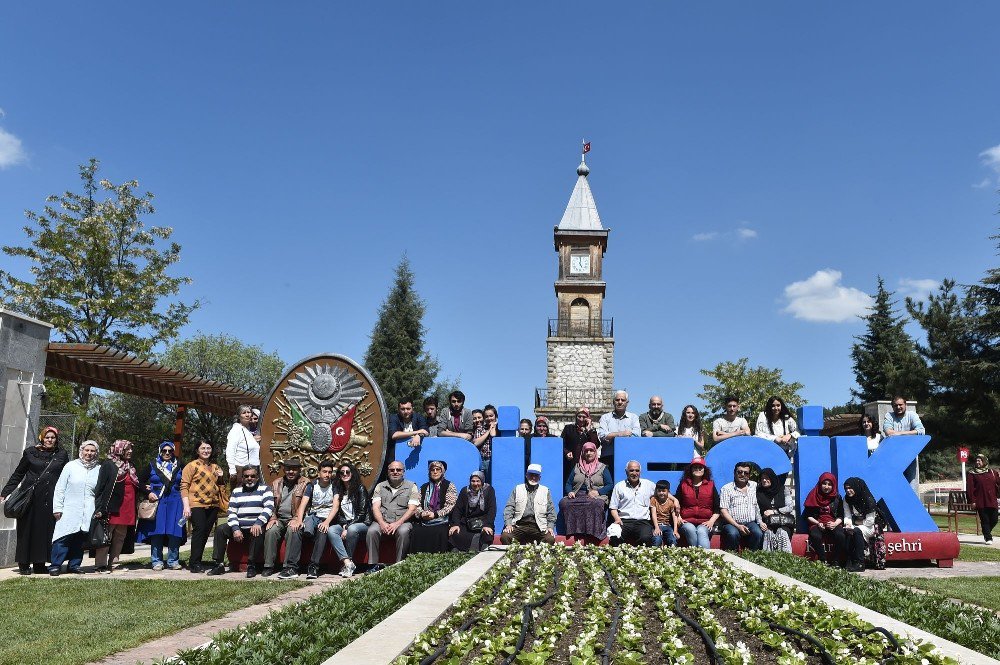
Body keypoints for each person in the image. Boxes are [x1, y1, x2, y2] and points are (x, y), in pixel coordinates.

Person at [1, 425, 69, 575]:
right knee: (26, 530)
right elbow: (18, 474)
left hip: (49, 498)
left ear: (56, 439)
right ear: (42, 437)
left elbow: (66, 477)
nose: (50, 440)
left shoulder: (62, 455)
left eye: (53, 437)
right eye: (47, 437)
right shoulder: (31, 453)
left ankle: (40, 563)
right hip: (30, 498)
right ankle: (24, 563)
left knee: (45, 531)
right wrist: (5, 492)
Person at [207, 467, 274, 577]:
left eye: (252, 476)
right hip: (240, 525)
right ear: (242, 478)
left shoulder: (265, 489)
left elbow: (268, 508)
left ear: (257, 477)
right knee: (220, 529)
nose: (249, 478)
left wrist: (258, 523)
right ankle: (218, 564)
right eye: (246, 476)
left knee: (257, 531)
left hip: (256, 524)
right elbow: (231, 512)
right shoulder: (236, 491)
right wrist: (235, 529)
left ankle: (251, 565)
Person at [49, 440, 102, 575]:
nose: (89, 453)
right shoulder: (71, 466)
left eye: (92, 451)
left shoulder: (98, 469)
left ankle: (74, 565)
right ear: (81, 451)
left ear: (96, 453)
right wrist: (57, 508)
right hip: (69, 508)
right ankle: (55, 565)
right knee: (63, 537)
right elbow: (60, 488)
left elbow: (100, 492)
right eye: (86, 450)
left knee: (80, 539)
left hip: (88, 509)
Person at [136, 442, 186, 571]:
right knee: (156, 531)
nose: (167, 453)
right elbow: (138, 481)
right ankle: (156, 561)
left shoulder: (180, 465)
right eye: (164, 450)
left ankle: (173, 561)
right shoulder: (152, 465)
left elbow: (188, 481)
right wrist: (148, 492)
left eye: (170, 451)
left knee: (175, 531)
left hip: (176, 501)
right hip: (157, 501)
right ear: (160, 451)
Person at [366, 461, 420, 572]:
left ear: (403, 472)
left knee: (403, 532)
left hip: (403, 522)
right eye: (392, 470)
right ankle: (372, 565)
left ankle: (398, 565)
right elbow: (375, 507)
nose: (395, 472)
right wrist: (381, 523)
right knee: (372, 531)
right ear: (388, 471)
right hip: (383, 520)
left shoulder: (412, 486)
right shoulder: (380, 486)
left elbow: (412, 509)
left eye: (398, 470)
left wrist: (397, 523)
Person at [180, 440, 226, 573]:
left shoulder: (216, 467)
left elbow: (221, 486)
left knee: (206, 533)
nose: (206, 451)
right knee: (199, 531)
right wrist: (186, 506)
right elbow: (184, 486)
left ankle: (198, 560)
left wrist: (222, 478)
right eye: (203, 448)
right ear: (197, 451)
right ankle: (194, 563)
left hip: (213, 504)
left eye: (208, 448)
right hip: (196, 504)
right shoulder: (191, 466)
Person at [289, 460, 339, 579]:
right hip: (312, 516)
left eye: (329, 472)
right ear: (319, 473)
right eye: (324, 472)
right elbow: (303, 504)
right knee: (297, 529)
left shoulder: (334, 486)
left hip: (327, 518)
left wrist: (327, 522)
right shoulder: (312, 486)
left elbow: (336, 506)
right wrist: (299, 520)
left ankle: (313, 567)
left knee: (322, 531)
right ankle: (292, 568)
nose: (327, 475)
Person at [95, 439, 140, 573]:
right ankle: (100, 565)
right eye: (127, 449)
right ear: (119, 450)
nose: (130, 451)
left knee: (120, 536)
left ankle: (114, 563)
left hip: (127, 507)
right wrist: (99, 507)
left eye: (131, 449)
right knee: (106, 535)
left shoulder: (130, 466)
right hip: (112, 507)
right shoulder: (108, 465)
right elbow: (100, 487)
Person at [560, 442, 612, 543]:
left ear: (595, 452)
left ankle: (594, 534)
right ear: (583, 453)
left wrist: (598, 492)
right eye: (586, 451)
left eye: (591, 451)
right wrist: (570, 492)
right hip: (577, 495)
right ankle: (574, 533)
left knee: (596, 504)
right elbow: (568, 483)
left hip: (595, 496)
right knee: (564, 503)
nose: (588, 453)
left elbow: (610, 484)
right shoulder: (577, 467)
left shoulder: (602, 467)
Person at [329, 461, 372, 576]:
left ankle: (348, 564)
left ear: (352, 474)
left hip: (362, 523)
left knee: (352, 529)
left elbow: (362, 513)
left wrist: (347, 527)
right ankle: (347, 562)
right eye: (342, 472)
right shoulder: (338, 491)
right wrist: (344, 525)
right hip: (346, 524)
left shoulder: (360, 488)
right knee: (332, 530)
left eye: (348, 472)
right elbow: (338, 513)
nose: (345, 474)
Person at [269, 458, 310, 579]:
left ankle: (289, 567)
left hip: (295, 518)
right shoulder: (276, 483)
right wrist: (272, 517)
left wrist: (297, 518)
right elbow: (270, 503)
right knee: (271, 531)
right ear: (284, 470)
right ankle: (268, 566)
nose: (291, 472)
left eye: (294, 469)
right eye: (288, 469)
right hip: (279, 518)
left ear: (299, 470)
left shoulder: (305, 483)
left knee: (293, 530)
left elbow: (307, 505)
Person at [501, 464, 556, 545]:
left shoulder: (545, 491)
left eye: (536, 476)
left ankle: (540, 557)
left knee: (550, 539)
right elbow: (509, 508)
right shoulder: (518, 489)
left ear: (539, 478)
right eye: (531, 475)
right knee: (505, 536)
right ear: (526, 475)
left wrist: (550, 526)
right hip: (520, 526)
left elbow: (551, 511)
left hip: (539, 527)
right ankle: (513, 556)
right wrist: (508, 524)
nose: (533, 478)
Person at [410, 460, 458, 554]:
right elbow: (417, 504)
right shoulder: (424, 487)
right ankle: (417, 560)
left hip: (442, 520)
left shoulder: (449, 485)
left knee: (440, 531)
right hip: (425, 519)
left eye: (438, 469)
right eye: (432, 470)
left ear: (442, 472)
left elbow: (450, 505)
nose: (435, 472)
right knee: (416, 531)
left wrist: (435, 514)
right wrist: (422, 513)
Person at [718, 462, 766, 551]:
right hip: (731, 523)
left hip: (750, 523)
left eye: (746, 473)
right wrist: (737, 525)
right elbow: (723, 511)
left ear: (749, 475)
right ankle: (733, 559)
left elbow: (769, 486)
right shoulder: (726, 489)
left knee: (758, 533)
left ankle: (752, 559)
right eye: (739, 472)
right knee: (733, 534)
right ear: (734, 473)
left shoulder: (754, 486)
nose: (742, 475)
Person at [608, 460, 655, 546]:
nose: (634, 473)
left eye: (637, 470)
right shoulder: (619, 486)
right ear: (626, 472)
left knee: (645, 538)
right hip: (624, 521)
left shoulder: (649, 485)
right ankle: (620, 559)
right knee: (615, 537)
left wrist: (675, 500)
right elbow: (613, 508)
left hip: (643, 522)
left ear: (640, 472)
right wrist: (617, 519)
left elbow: (663, 493)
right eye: (631, 470)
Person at [675, 457, 719, 549]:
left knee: (701, 531)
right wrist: (679, 518)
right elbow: (676, 503)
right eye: (695, 467)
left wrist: (711, 521)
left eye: (700, 467)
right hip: (687, 521)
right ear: (690, 470)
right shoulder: (683, 484)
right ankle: (700, 557)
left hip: (705, 521)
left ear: (704, 470)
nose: (697, 469)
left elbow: (717, 508)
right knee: (690, 529)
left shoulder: (711, 485)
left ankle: (704, 557)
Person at [803, 472, 846, 566]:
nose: (826, 487)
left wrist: (835, 523)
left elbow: (841, 515)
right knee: (815, 536)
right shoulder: (813, 495)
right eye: (824, 483)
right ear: (820, 483)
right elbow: (808, 515)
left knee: (841, 536)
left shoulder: (837, 497)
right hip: (817, 523)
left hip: (833, 523)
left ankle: (836, 560)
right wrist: (818, 523)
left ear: (833, 485)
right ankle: (823, 560)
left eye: (829, 484)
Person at [449, 471, 497, 552]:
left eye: (478, 481)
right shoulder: (465, 491)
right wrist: (455, 524)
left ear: (482, 481)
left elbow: (492, 509)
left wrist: (488, 525)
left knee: (487, 534)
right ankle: (457, 550)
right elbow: (457, 509)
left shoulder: (489, 490)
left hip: (483, 522)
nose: (475, 484)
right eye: (473, 481)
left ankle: (481, 550)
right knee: (455, 533)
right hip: (467, 522)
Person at [843, 477, 879, 572]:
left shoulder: (868, 500)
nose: (848, 491)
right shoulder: (847, 499)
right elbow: (847, 515)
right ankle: (849, 561)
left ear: (856, 487)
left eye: (850, 488)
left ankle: (860, 563)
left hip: (872, 527)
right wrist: (848, 525)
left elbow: (870, 521)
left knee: (856, 531)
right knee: (847, 532)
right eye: (846, 488)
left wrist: (855, 523)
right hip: (857, 525)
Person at [757, 467, 794, 552]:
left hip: (783, 523)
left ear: (772, 478)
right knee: (767, 533)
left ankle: (784, 559)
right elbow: (756, 509)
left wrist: (774, 511)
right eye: (762, 478)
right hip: (766, 524)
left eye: (767, 478)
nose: (764, 480)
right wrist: (760, 522)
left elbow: (789, 507)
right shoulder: (758, 492)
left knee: (782, 532)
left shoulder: (784, 489)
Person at [597, 391, 640, 463]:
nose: (620, 402)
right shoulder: (605, 418)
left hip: (628, 457)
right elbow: (602, 436)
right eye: (617, 400)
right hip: (608, 457)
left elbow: (637, 435)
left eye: (623, 400)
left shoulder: (634, 417)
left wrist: (611, 436)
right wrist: (621, 434)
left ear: (627, 403)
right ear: (613, 402)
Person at [966, 453, 999, 544]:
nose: (977, 462)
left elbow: (998, 483)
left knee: (994, 519)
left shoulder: (992, 472)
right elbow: (970, 489)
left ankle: (986, 531)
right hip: (980, 501)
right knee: (985, 520)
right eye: (976, 460)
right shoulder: (972, 474)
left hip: (992, 500)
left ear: (984, 461)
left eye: (979, 460)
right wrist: (972, 501)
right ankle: (988, 538)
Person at [226, 404, 261, 488]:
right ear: (239, 416)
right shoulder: (235, 430)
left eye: (248, 412)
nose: (247, 414)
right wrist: (232, 471)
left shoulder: (247, 430)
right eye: (244, 413)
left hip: (252, 469)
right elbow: (230, 450)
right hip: (240, 470)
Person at [560, 407, 600, 479]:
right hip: (570, 463)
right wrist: (566, 452)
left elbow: (596, 445)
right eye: (579, 416)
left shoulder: (591, 431)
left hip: (585, 464)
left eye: (584, 417)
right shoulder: (568, 428)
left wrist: (589, 429)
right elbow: (561, 444)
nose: (581, 419)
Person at [650, 480, 680, 547]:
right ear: (656, 491)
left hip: (667, 526)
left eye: (663, 491)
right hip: (657, 525)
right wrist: (656, 528)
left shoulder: (670, 502)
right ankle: (655, 554)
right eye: (659, 491)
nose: (661, 493)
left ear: (668, 492)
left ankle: (673, 554)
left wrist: (675, 530)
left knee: (672, 539)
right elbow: (653, 514)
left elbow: (674, 516)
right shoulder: (654, 500)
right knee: (657, 539)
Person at [471, 405, 499, 477]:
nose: (489, 418)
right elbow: (476, 443)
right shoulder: (480, 429)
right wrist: (489, 430)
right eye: (486, 416)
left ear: (496, 416)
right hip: (484, 460)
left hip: (497, 460)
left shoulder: (500, 428)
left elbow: (493, 435)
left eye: (491, 416)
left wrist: (493, 428)